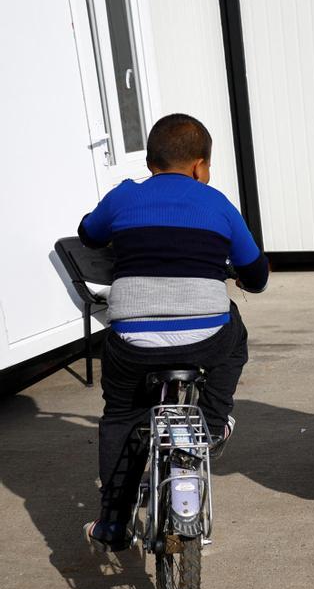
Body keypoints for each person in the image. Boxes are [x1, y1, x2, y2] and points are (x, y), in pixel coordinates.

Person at [77, 113, 269, 551]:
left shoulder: (125, 197)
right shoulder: (218, 203)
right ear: (201, 166)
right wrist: (242, 277)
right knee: (233, 332)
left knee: (121, 415)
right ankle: (215, 423)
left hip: (132, 341)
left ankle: (112, 521)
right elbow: (257, 274)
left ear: (150, 162)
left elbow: (88, 232)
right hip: (205, 340)